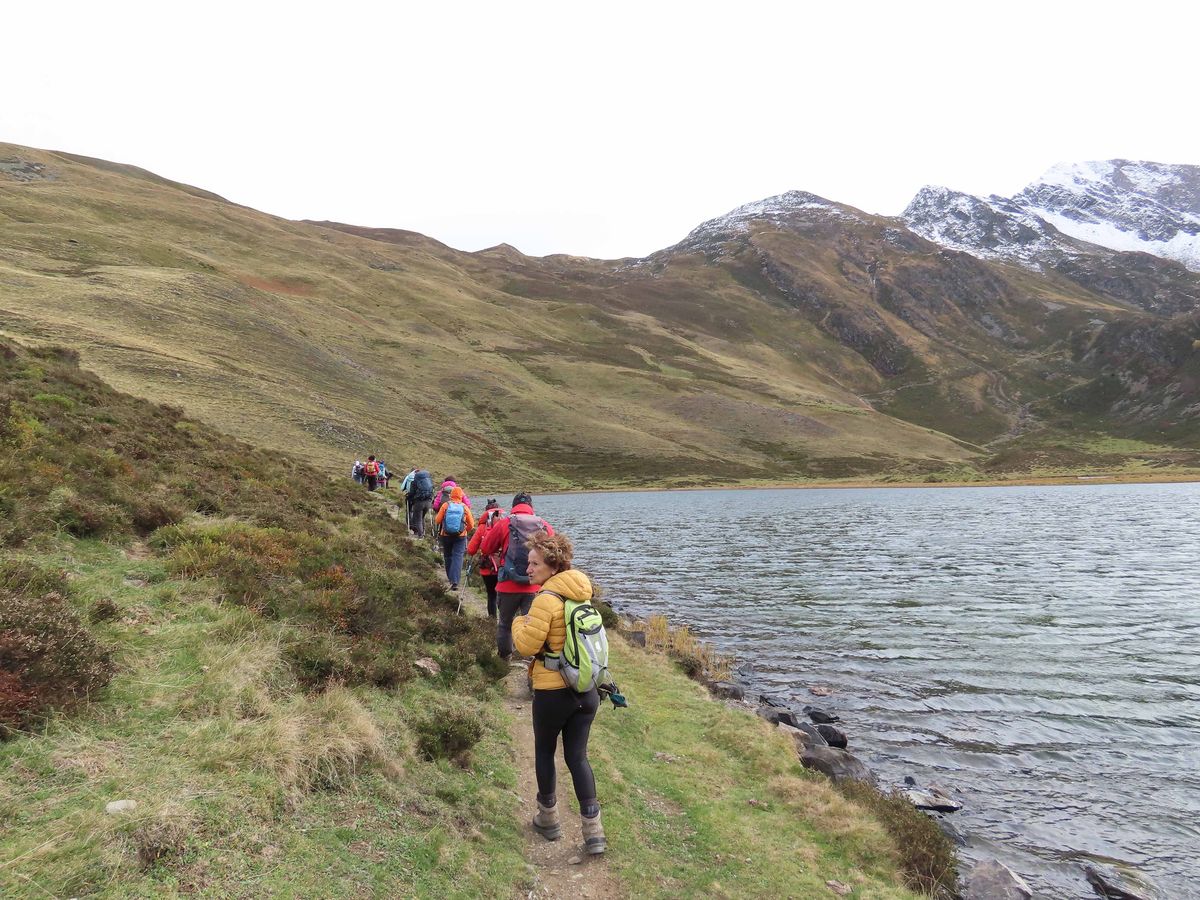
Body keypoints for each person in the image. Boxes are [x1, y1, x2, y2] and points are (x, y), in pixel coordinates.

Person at [512, 531, 605, 855]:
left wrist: (517, 622)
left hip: (553, 693)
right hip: (586, 692)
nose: (528, 568)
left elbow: (525, 646)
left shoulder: (545, 600)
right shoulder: (581, 596)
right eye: (528, 562)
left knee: (544, 752)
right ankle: (594, 832)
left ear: (553, 566)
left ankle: (548, 819)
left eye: (534, 563)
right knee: (578, 757)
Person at [480, 492, 553, 659]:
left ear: (513, 507)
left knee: (505, 624)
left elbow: (485, 548)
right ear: (531, 507)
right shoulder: (544, 526)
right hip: (535, 587)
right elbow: (554, 554)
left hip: (507, 585)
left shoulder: (505, 523)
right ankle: (530, 660)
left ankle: (505, 659)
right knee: (532, 626)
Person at [466, 499, 504, 617]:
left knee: (491, 594)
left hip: (487, 568)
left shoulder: (482, 528)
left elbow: (471, 549)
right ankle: (504, 621)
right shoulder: (505, 526)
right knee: (502, 594)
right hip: (502, 566)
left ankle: (492, 620)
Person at [434, 486, 475, 590]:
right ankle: (455, 581)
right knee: (458, 557)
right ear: (461, 495)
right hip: (460, 536)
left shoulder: (445, 505)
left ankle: (450, 578)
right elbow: (472, 524)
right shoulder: (464, 507)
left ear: (451, 495)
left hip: (446, 535)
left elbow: (437, 521)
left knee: (448, 556)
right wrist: (465, 530)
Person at [406, 468, 433, 536]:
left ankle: (420, 535)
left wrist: (408, 498)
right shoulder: (429, 481)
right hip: (428, 502)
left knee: (418, 519)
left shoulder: (414, 482)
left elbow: (412, 493)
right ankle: (423, 532)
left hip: (419, 502)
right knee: (422, 517)